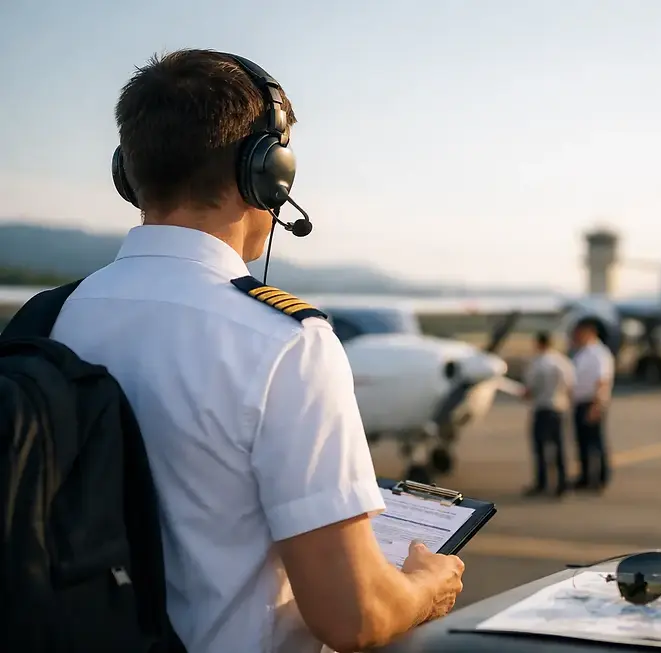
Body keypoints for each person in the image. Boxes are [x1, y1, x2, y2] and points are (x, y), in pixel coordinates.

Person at [48, 49, 463, 653]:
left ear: (128, 172)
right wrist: (427, 585)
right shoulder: (286, 343)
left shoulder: (51, 317)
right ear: (266, 172)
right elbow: (353, 616)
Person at [522, 331, 575, 497]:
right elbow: (570, 383)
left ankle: (542, 483)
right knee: (558, 447)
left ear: (539, 343)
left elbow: (530, 388)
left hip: (542, 408)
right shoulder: (562, 361)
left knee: (540, 448)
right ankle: (562, 483)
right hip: (559, 408)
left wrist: (526, 394)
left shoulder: (538, 363)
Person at [570, 319, 615, 491]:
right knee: (582, 442)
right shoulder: (582, 353)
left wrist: (597, 405)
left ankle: (600, 478)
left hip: (592, 401)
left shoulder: (599, 353)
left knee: (595, 442)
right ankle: (585, 477)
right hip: (580, 401)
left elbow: (602, 380)